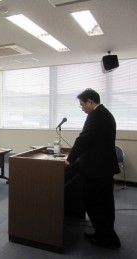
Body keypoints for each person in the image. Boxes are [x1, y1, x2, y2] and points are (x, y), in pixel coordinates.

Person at [65, 89, 121, 249]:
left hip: (97, 169)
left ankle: (109, 238)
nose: (82, 108)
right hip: (105, 167)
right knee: (105, 203)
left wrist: (69, 160)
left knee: (93, 203)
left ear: (90, 102)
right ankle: (104, 233)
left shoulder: (96, 115)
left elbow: (83, 139)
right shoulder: (106, 114)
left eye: (82, 104)